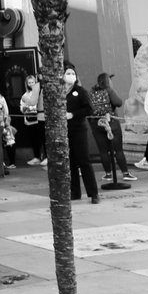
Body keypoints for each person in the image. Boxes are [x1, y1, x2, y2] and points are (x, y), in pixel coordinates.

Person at [89, 72, 136, 182]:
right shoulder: (109, 90)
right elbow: (118, 102)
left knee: (103, 151)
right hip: (111, 123)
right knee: (118, 150)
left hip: (97, 123)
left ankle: (108, 174)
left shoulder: (91, 92)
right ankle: (125, 173)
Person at [63, 63, 98, 203]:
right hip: (65, 130)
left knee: (84, 161)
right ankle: (75, 192)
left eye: (73, 73)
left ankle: (93, 193)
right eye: (67, 73)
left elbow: (89, 110)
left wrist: (73, 114)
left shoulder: (81, 91)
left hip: (78, 129)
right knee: (70, 162)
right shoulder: (59, 92)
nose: (70, 75)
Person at [20, 74, 47, 167]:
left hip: (39, 117)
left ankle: (46, 156)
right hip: (30, 120)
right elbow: (23, 108)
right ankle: (37, 157)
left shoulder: (40, 89)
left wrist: (29, 104)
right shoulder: (25, 94)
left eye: (32, 82)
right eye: (29, 83)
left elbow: (33, 103)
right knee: (34, 139)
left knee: (43, 138)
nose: (31, 84)